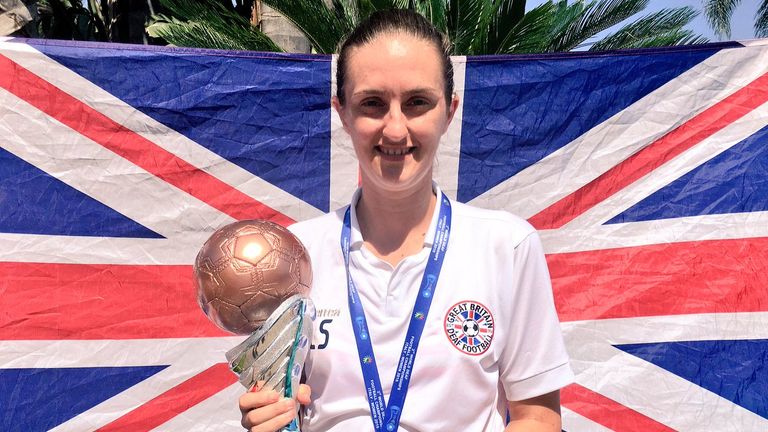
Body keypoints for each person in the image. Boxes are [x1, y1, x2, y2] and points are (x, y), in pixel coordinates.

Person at [239, 9, 573, 432]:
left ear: (449, 111)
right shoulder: (295, 256)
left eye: (417, 102)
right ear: (342, 112)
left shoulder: (506, 246)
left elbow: (538, 416)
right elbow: (277, 398)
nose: (395, 130)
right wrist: (269, 415)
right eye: (372, 103)